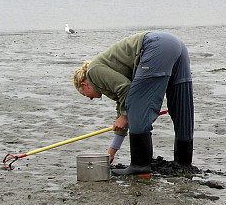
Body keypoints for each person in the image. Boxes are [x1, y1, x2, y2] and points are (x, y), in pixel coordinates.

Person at [73, 31, 194, 176]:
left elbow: (126, 89)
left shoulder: (94, 72)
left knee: (138, 106)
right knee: (181, 104)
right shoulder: (105, 76)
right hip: (176, 45)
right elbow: (124, 105)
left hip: (154, 46)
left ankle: (140, 166)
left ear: (84, 84)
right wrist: (111, 152)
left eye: (84, 94)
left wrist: (125, 116)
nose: (90, 98)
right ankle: (183, 162)